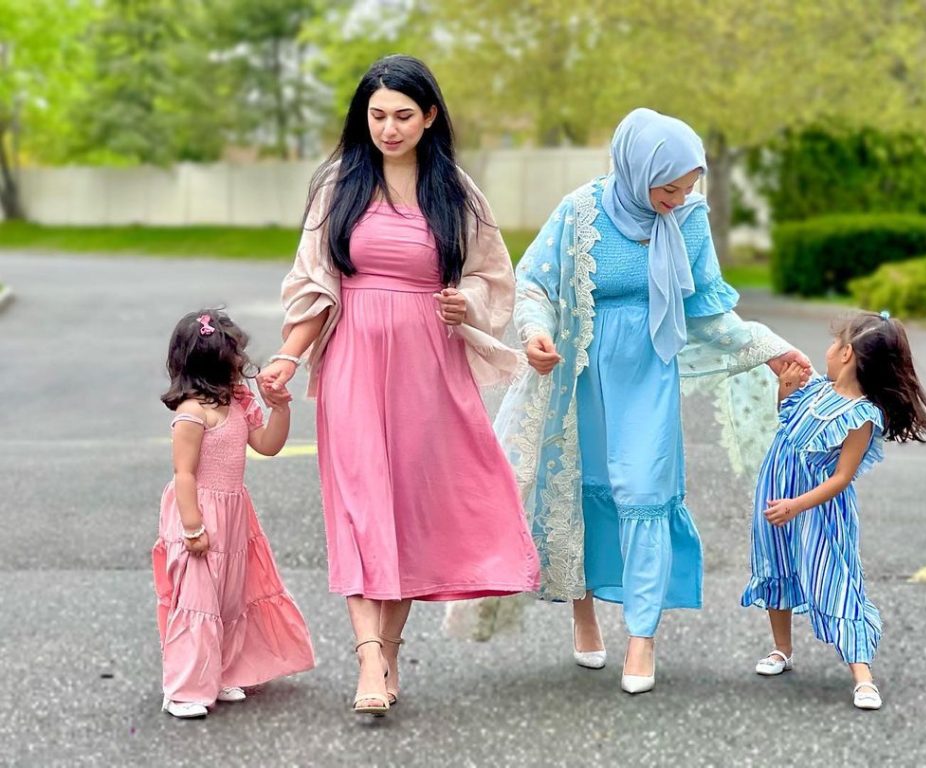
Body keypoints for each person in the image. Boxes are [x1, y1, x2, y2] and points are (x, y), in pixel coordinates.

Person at [491, 108, 810, 694]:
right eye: (669, 187)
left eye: (688, 187)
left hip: (648, 374)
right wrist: (535, 331)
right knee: (586, 489)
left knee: (644, 491)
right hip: (581, 369)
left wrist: (771, 348)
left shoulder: (688, 217)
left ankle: (642, 637)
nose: (678, 197)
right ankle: (582, 613)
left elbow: (708, 309)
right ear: (637, 170)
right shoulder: (581, 211)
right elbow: (533, 281)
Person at [257, 55, 539, 717]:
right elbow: (316, 284)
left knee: (406, 509)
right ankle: (368, 662)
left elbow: (493, 279)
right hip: (355, 360)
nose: (388, 128)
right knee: (361, 505)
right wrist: (291, 358)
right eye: (377, 115)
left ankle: (387, 652)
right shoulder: (339, 186)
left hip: (428, 368)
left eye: (402, 115)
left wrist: (463, 302)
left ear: (430, 116)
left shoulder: (456, 192)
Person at [741, 310, 926, 710]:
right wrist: (783, 391)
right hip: (775, 493)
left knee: (835, 578)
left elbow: (841, 477)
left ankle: (862, 674)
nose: (828, 350)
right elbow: (788, 424)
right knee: (776, 564)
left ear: (848, 353)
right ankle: (782, 649)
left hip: (817, 510)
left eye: (835, 344)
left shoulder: (861, 415)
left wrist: (796, 505)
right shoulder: (817, 388)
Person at [154, 309, 315, 719]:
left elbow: (267, 445)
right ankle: (184, 689)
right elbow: (184, 474)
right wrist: (192, 527)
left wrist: (279, 409)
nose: (242, 362)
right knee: (197, 602)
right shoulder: (192, 413)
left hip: (233, 515)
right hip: (200, 517)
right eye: (234, 355)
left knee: (228, 600)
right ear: (212, 362)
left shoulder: (239, 405)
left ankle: (220, 671)